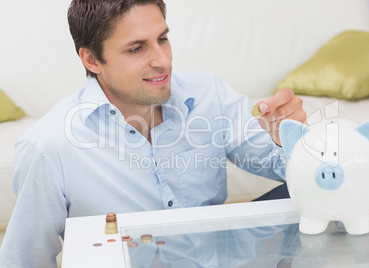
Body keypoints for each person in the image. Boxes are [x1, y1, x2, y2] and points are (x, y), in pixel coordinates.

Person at [0, 0, 306, 266]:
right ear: (92, 60)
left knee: (310, 188)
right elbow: (26, 259)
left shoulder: (209, 96)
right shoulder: (49, 146)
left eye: (162, 39)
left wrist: (291, 139)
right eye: (136, 48)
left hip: (222, 259)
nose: (163, 60)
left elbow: (289, 170)